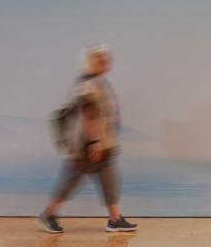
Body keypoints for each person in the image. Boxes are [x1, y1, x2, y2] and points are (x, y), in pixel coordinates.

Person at [38, 45, 137, 234]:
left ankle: (115, 219)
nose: (108, 62)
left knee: (109, 178)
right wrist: (94, 142)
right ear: (95, 62)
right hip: (87, 144)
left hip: (102, 143)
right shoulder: (88, 84)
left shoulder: (97, 81)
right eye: (103, 59)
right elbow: (87, 115)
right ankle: (47, 215)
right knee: (71, 180)